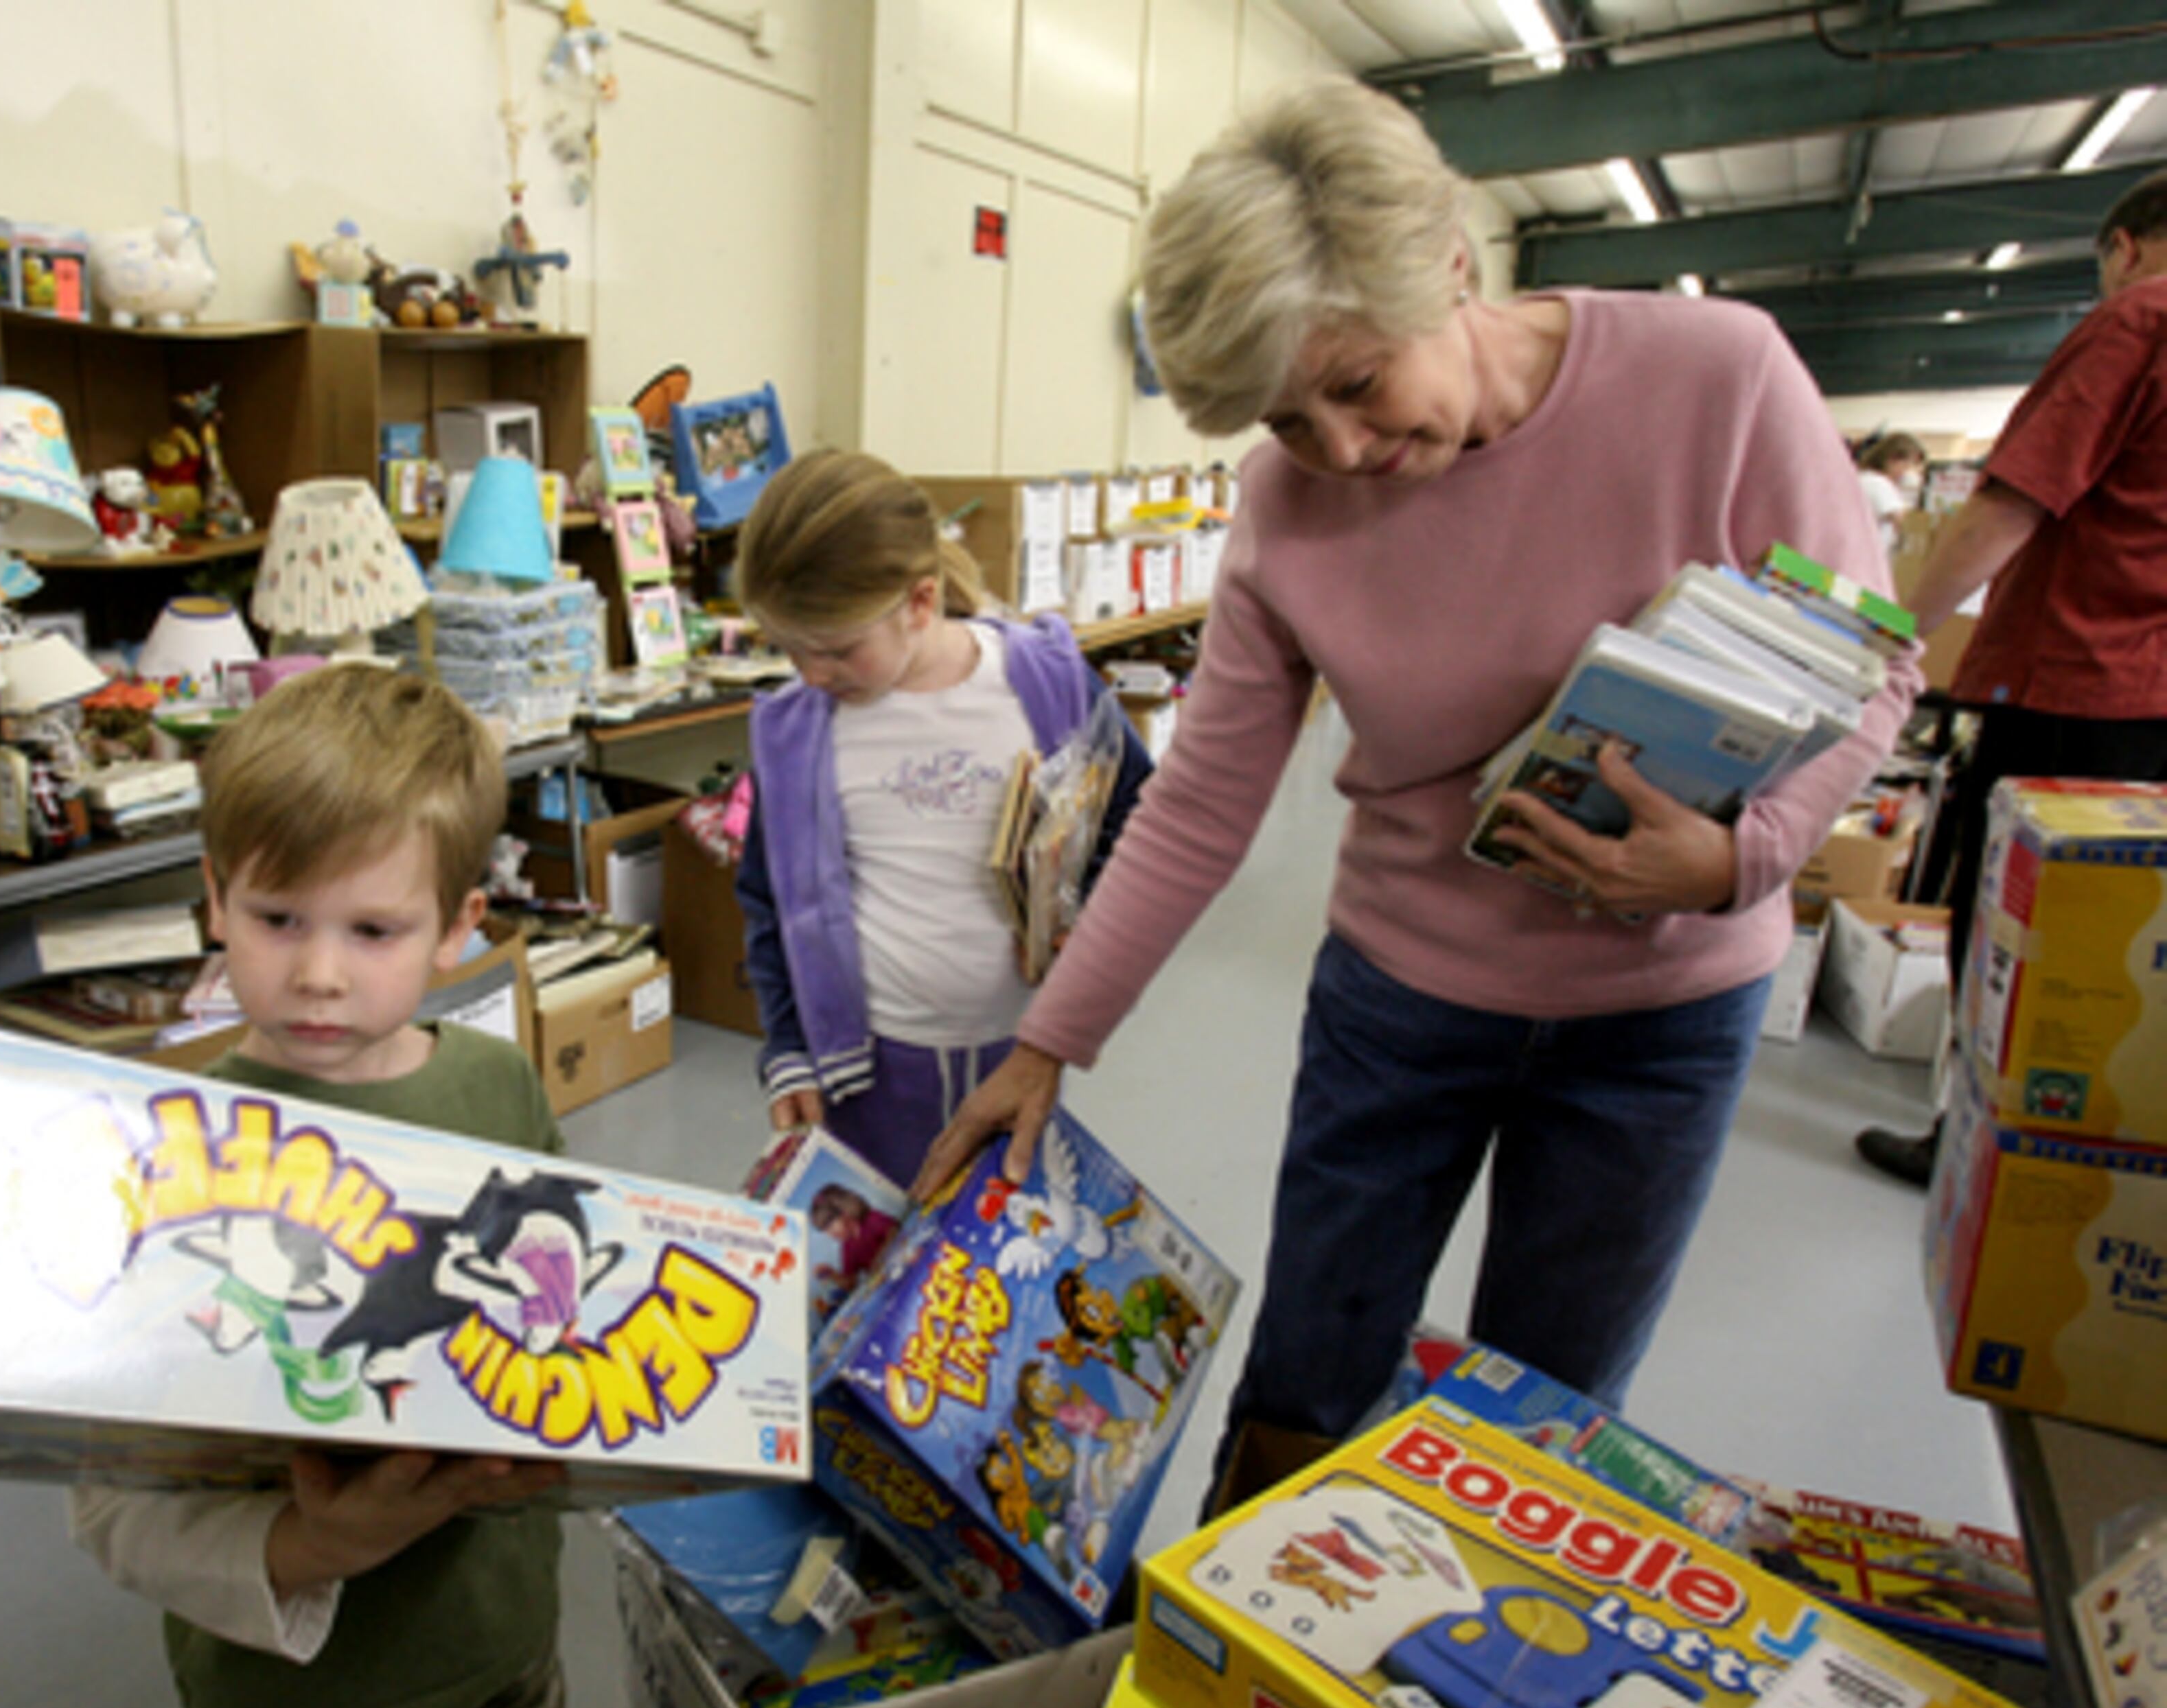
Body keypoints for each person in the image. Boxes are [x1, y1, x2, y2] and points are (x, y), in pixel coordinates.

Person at [914, 78, 1921, 1468]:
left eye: (1353, 384)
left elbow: (1876, 668)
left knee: (1546, 1417)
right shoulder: (1286, 507)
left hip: (1660, 1019)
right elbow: (1203, 800)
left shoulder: (1723, 380)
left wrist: (1741, 859)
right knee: (1303, 1393)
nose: (1340, 453)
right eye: (1284, 423)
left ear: (1451, 267)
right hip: (1402, 1005)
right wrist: (1048, 1044)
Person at [69, 666, 569, 1708]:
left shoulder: (496, 1084)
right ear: (215, 896)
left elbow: (561, 1326)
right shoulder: (165, 1153)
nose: (319, 975)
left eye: (375, 929)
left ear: (459, 925)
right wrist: (308, 1544)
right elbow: (111, 1506)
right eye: (277, 917)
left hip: (504, 1647)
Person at [1855, 167, 2167, 1190]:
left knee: (2013, 939)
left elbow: (2010, 502)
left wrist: (1888, 632)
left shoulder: (2136, 321)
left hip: (2076, 692)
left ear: (2122, 245)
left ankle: (1974, 1155)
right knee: (2114, 961)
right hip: (2152, 711)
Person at [733, 448, 1155, 1188]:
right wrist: (789, 1048)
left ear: (920, 602)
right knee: (879, 1274)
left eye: (834, 649)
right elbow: (772, 904)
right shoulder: (799, 734)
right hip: (865, 1073)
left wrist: (1087, 917)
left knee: (987, 1270)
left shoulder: (1044, 681)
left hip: (1019, 1051)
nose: (810, 673)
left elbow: (1143, 817)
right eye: (787, 649)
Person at [1857, 432, 1929, 561]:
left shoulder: (1864, 479)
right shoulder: (1877, 483)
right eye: (1911, 464)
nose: (1912, 471)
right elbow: (1905, 523)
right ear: (1894, 459)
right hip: (1865, 562)